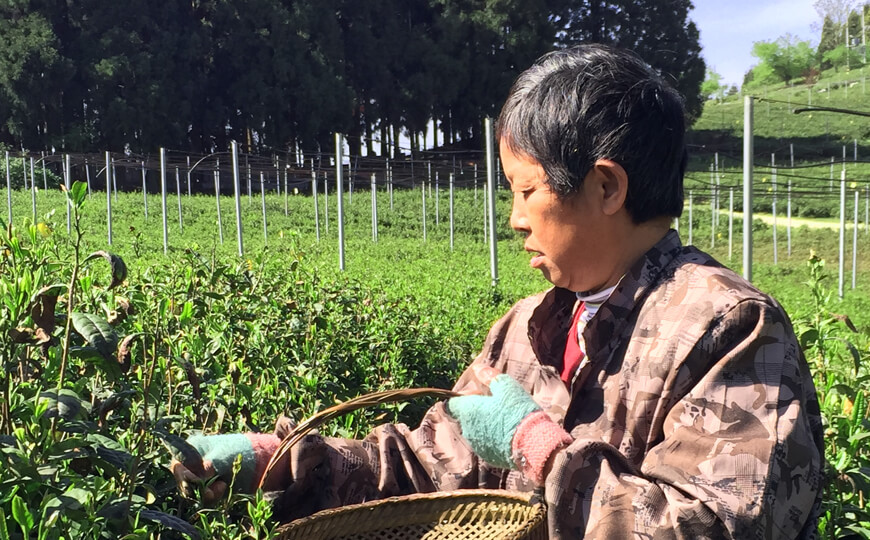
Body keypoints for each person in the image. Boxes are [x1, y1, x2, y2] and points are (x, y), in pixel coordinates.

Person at [172, 44, 824, 538]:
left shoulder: (728, 330)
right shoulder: (528, 327)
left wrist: (542, 453)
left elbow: (711, 527)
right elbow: (432, 463)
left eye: (526, 190)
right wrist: (278, 463)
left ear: (606, 187)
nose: (513, 217)